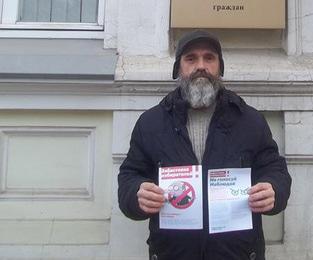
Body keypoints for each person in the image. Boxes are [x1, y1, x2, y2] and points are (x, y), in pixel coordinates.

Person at [118, 30, 292, 260]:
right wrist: (136, 193)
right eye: (191, 58)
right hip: (173, 254)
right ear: (178, 68)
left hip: (237, 254)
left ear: (220, 67)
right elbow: (130, 175)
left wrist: (273, 189)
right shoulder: (151, 123)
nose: (201, 66)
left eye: (209, 58)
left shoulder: (250, 120)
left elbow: (275, 170)